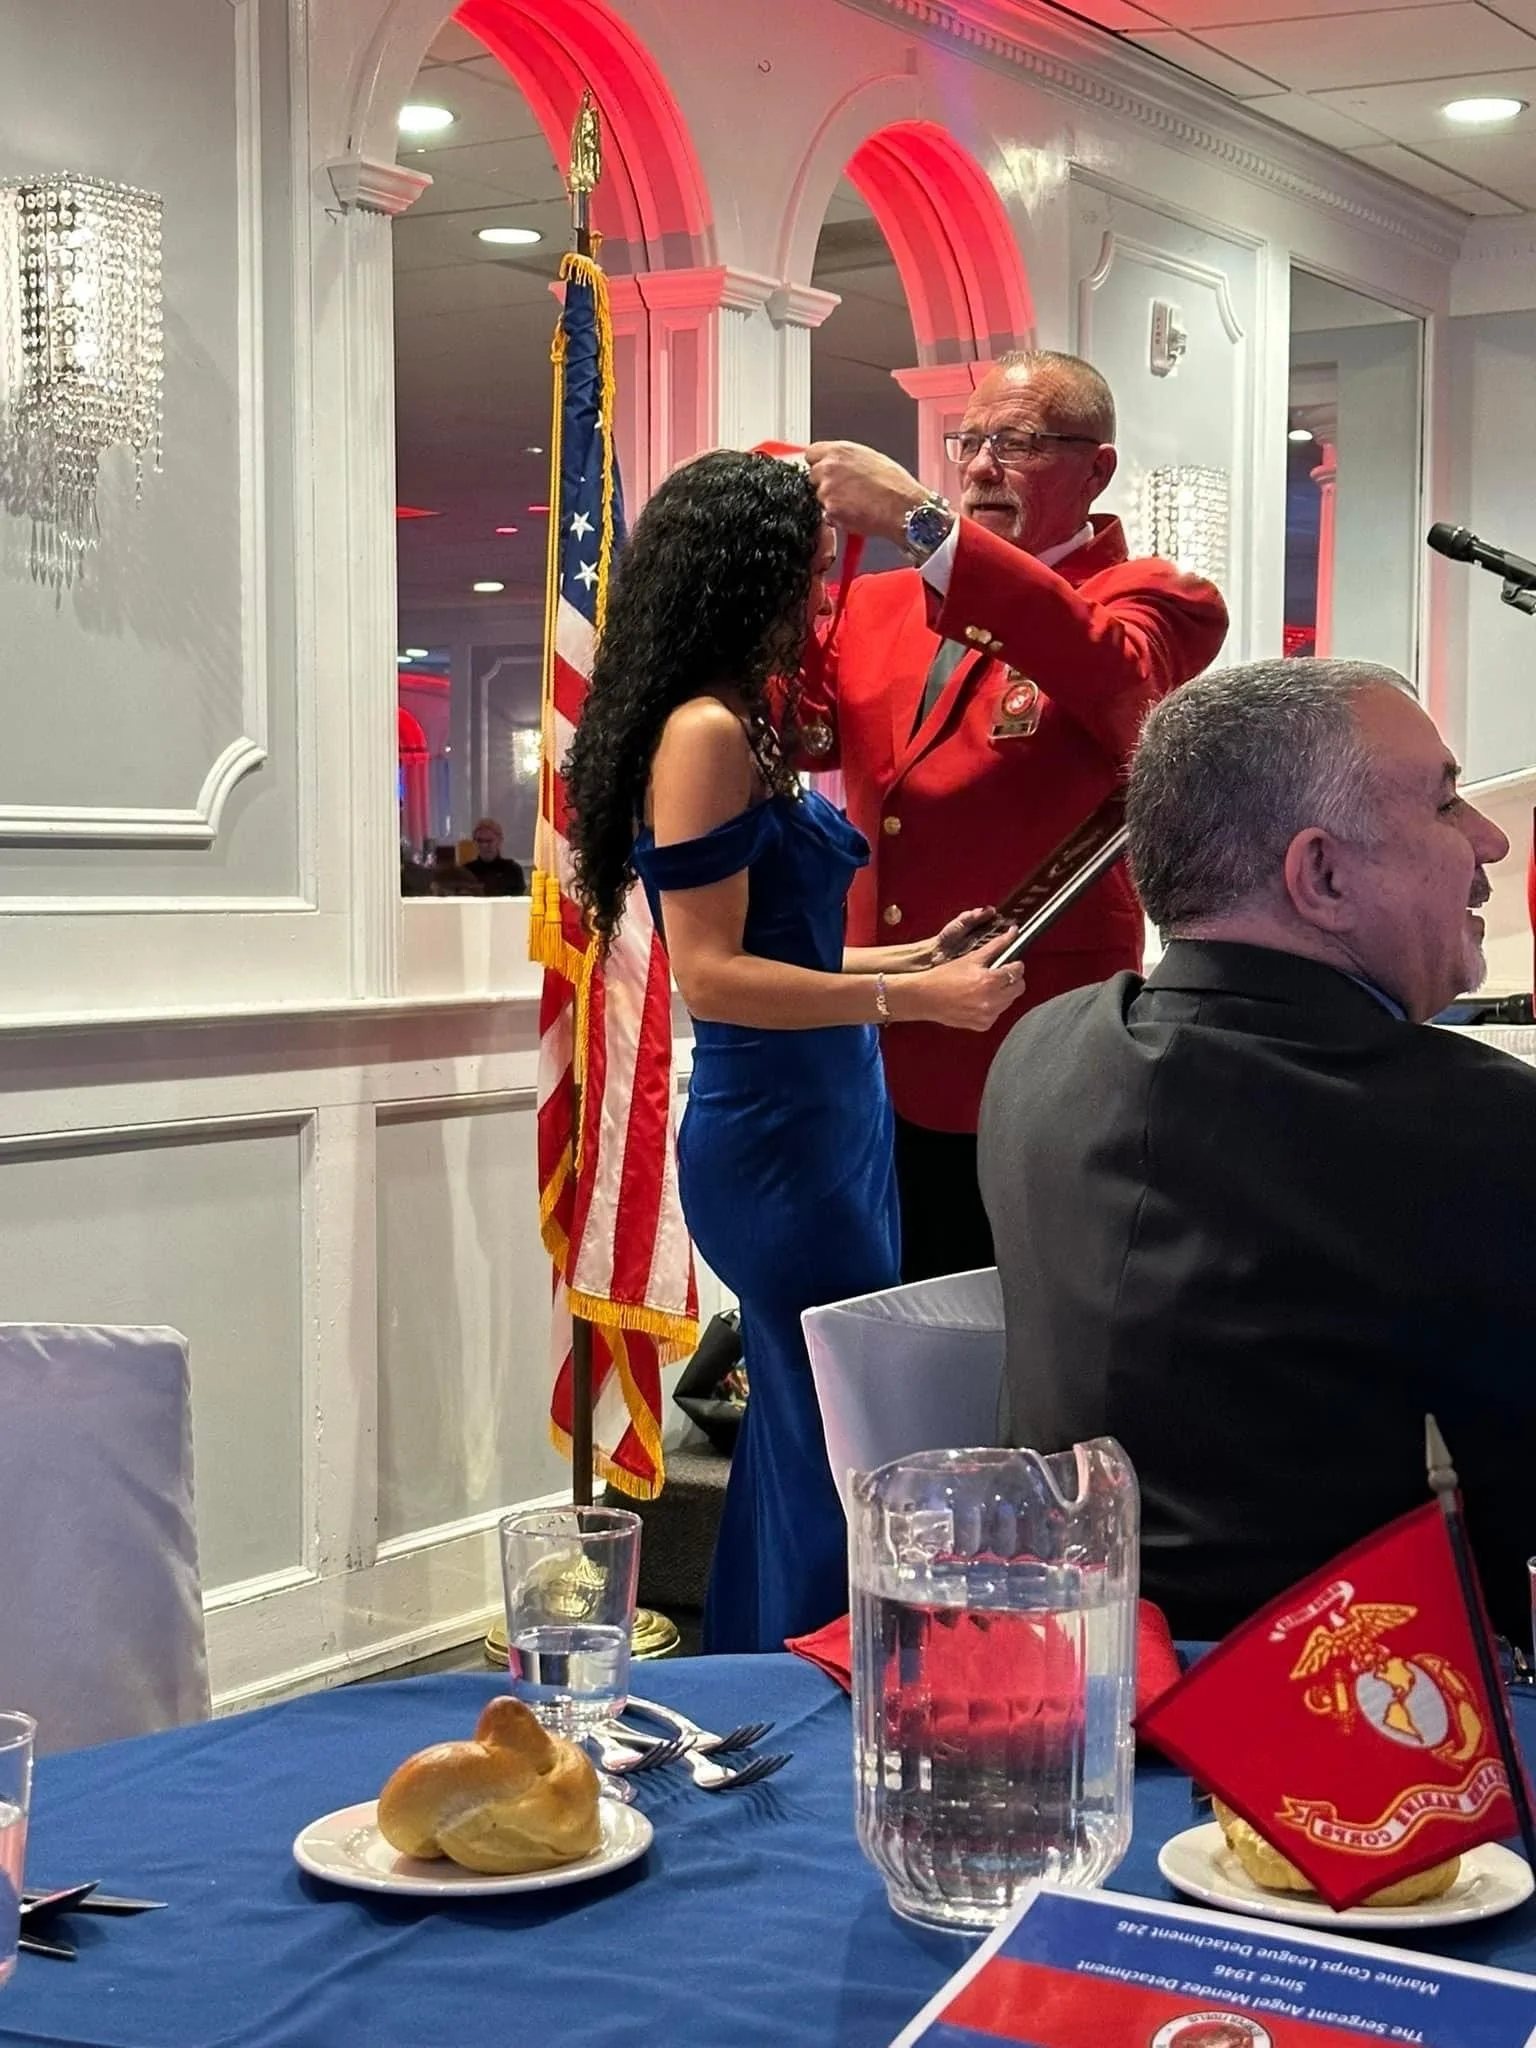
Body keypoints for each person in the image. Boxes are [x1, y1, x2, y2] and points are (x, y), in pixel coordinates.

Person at [563, 449, 1026, 1653]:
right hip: (775, 1141)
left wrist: (920, 952)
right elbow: (713, 976)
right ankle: (815, 1674)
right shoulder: (705, 732)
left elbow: (793, 947)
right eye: (808, 574)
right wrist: (913, 1002)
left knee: (811, 1433)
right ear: (741, 576)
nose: (820, 600)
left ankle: (776, 1661)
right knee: (832, 1440)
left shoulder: (749, 726)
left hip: (833, 1120)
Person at [977, 656, 1536, 1643]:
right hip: (1347, 1695)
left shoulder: (1035, 1056)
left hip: (1053, 1665)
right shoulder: (1477, 1124)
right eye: (1447, 803)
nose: (1489, 838)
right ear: (1322, 875)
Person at [800, 350, 1229, 1283]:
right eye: (970, 441)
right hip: (867, 1043)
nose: (982, 466)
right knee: (879, 1319)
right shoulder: (878, 603)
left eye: (1019, 443)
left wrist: (921, 522)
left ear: (1096, 469)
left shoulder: (1156, 601)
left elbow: (1118, 683)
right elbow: (801, 731)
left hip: (1032, 1044)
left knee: (1024, 1323)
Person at [465, 818, 527, 896]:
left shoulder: (513, 870)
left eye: (489, 841)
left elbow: (518, 899)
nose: (484, 845)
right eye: (479, 841)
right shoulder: (466, 871)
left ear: (499, 841)